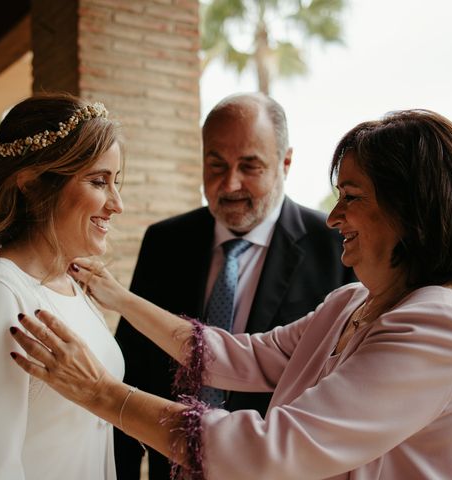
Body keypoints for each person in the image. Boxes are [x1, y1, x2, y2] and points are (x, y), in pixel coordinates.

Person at [9, 109, 452, 479]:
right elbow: (238, 355)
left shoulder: (437, 325)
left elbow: (274, 448)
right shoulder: (350, 303)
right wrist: (116, 296)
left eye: (350, 198)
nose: (333, 218)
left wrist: (99, 392)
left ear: (411, 212)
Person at [114, 92, 355, 479]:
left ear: (285, 163)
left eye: (249, 166)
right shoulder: (164, 242)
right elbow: (132, 369)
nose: (230, 183)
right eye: (216, 165)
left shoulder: (337, 248)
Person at [0, 93, 124, 479]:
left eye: (116, 182)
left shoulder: (72, 284)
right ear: (32, 185)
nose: (117, 204)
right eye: (99, 182)